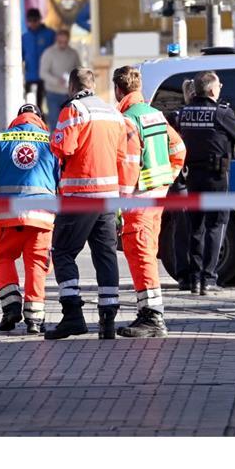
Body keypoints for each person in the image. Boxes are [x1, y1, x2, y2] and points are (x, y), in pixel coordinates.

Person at [45, 68, 129, 340]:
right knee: (105, 255)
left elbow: (62, 148)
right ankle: (107, 320)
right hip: (107, 196)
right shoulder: (113, 113)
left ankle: (73, 315)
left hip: (79, 195)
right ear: (93, 85)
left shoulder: (74, 110)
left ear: (72, 87)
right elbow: (122, 155)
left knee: (63, 252)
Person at [0, 104, 58, 335]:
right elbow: (62, 180)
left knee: (3, 257)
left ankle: (11, 307)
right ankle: (35, 319)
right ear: (39, 119)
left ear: (18, 119)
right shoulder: (51, 141)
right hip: (42, 217)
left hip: (6, 216)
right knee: (37, 263)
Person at [112, 66, 186, 337]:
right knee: (147, 253)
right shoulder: (156, 115)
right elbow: (179, 149)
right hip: (157, 195)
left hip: (138, 198)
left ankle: (153, 317)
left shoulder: (127, 120)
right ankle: (148, 313)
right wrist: (167, 180)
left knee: (141, 254)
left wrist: (119, 203)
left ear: (118, 90)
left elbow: (129, 164)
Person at [177, 71, 235, 294]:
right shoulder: (221, 113)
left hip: (192, 177)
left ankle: (195, 278)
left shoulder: (184, 113)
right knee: (215, 226)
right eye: (219, 85)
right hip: (216, 177)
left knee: (195, 228)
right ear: (212, 89)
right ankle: (209, 278)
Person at [161, 79, 196, 287]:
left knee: (183, 228)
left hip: (179, 179)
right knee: (190, 227)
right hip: (186, 178)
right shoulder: (175, 118)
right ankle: (191, 273)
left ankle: (186, 273)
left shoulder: (175, 117)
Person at [39, 29, 82, 118]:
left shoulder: (73, 53)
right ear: (56, 40)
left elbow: (79, 70)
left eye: (65, 42)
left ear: (68, 40)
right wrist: (56, 81)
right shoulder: (49, 53)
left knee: (69, 121)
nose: (62, 44)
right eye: (60, 42)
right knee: (54, 120)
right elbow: (43, 72)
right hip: (53, 93)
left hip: (69, 93)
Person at [22, 8, 56, 112]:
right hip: (31, 76)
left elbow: (56, 53)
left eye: (35, 20)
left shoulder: (49, 34)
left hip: (47, 75)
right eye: (30, 20)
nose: (33, 23)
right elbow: (21, 56)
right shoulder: (25, 37)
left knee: (50, 104)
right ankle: (37, 124)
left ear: (40, 20)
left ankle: (49, 123)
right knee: (32, 104)